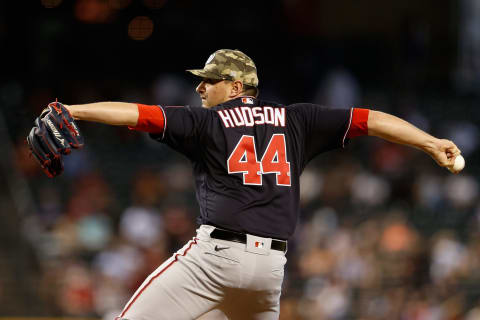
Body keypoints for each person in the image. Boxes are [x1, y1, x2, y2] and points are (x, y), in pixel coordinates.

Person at [59, 49, 461, 320]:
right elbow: (370, 119)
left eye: (210, 81)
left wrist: (73, 110)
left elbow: (137, 114)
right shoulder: (298, 119)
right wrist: (428, 141)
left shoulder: (207, 121)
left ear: (236, 87)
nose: (201, 87)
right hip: (269, 271)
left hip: (213, 260)